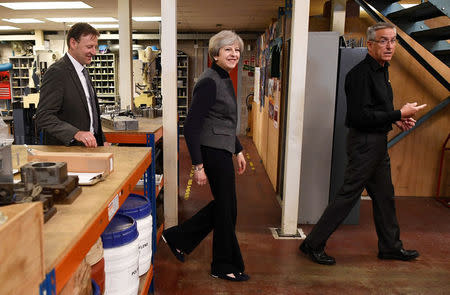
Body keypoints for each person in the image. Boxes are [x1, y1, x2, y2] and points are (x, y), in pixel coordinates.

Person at [299, 22, 426, 265]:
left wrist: (397, 120)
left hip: (377, 142)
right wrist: (398, 113)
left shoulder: (382, 70)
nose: (389, 46)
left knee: (385, 195)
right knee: (348, 195)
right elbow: (359, 117)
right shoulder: (359, 75)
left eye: (393, 40)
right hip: (364, 144)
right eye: (383, 40)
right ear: (370, 44)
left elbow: (377, 109)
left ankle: (390, 246)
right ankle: (312, 244)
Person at [162, 30, 249, 282]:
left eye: (237, 50)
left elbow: (222, 120)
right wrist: (197, 165)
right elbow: (191, 126)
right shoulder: (210, 81)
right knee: (227, 209)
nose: (234, 54)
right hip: (212, 153)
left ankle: (178, 237)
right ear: (215, 54)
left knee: (226, 207)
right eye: (228, 50)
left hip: (222, 149)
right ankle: (222, 265)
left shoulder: (223, 78)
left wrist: (239, 148)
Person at [36, 22, 109, 147]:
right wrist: (75, 133)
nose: (94, 52)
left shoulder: (83, 70)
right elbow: (43, 116)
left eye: (95, 47)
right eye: (89, 47)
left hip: (90, 148)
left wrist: (102, 139)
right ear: (73, 43)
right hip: (68, 150)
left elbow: (91, 111)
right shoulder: (57, 72)